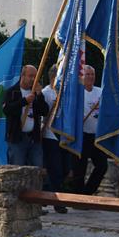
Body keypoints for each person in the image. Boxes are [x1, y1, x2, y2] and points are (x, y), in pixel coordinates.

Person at [71, 65, 108, 195]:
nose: (91, 77)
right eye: (88, 74)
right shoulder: (78, 92)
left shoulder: (101, 92)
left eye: (92, 74)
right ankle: (78, 196)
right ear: (82, 76)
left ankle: (87, 193)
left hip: (97, 136)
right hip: (82, 135)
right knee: (80, 167)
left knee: (102, 166)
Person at [3, 64, 48, 166]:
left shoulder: (36, 93)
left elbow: (45, 111)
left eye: (35, 76)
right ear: (22, 76)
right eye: (30, 76)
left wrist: (40, 95)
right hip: (17, 138)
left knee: (37, 168)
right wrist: (24, 101)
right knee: (17, 168)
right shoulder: (12, 92)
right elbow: (7, 110)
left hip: (33, 137)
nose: (33, 79)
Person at [41, 64, 68, 212]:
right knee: (56, 170)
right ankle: (58, 203)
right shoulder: (46, 93)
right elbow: (42, 113)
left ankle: (45, 190)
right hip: (50, 135)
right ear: (53, 77)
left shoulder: (65, 93)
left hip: (64, 135)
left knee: (65, 169)